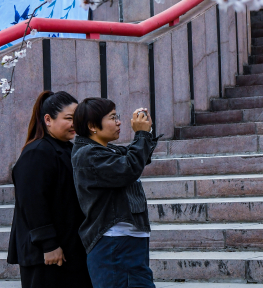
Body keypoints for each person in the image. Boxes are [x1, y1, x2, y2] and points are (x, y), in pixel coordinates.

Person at [8, 90, 93, 288]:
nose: (75, 124)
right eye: (69, 118)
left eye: (78, 118)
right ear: (48, 119)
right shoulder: (37, 152)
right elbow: (32, 203)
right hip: (46, 255)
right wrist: (49, 244)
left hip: (69, 250)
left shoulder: (67, 149)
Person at [72, 98, 159, 288]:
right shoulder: (88, 154)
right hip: (115, 245)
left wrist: (146, 133)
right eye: (113, 117)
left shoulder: (103, 150)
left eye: (117, 116)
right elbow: (128, 168)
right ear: (93, 126)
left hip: (125, 243)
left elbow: (135, 158)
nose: (119, 122)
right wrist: (141, 134)